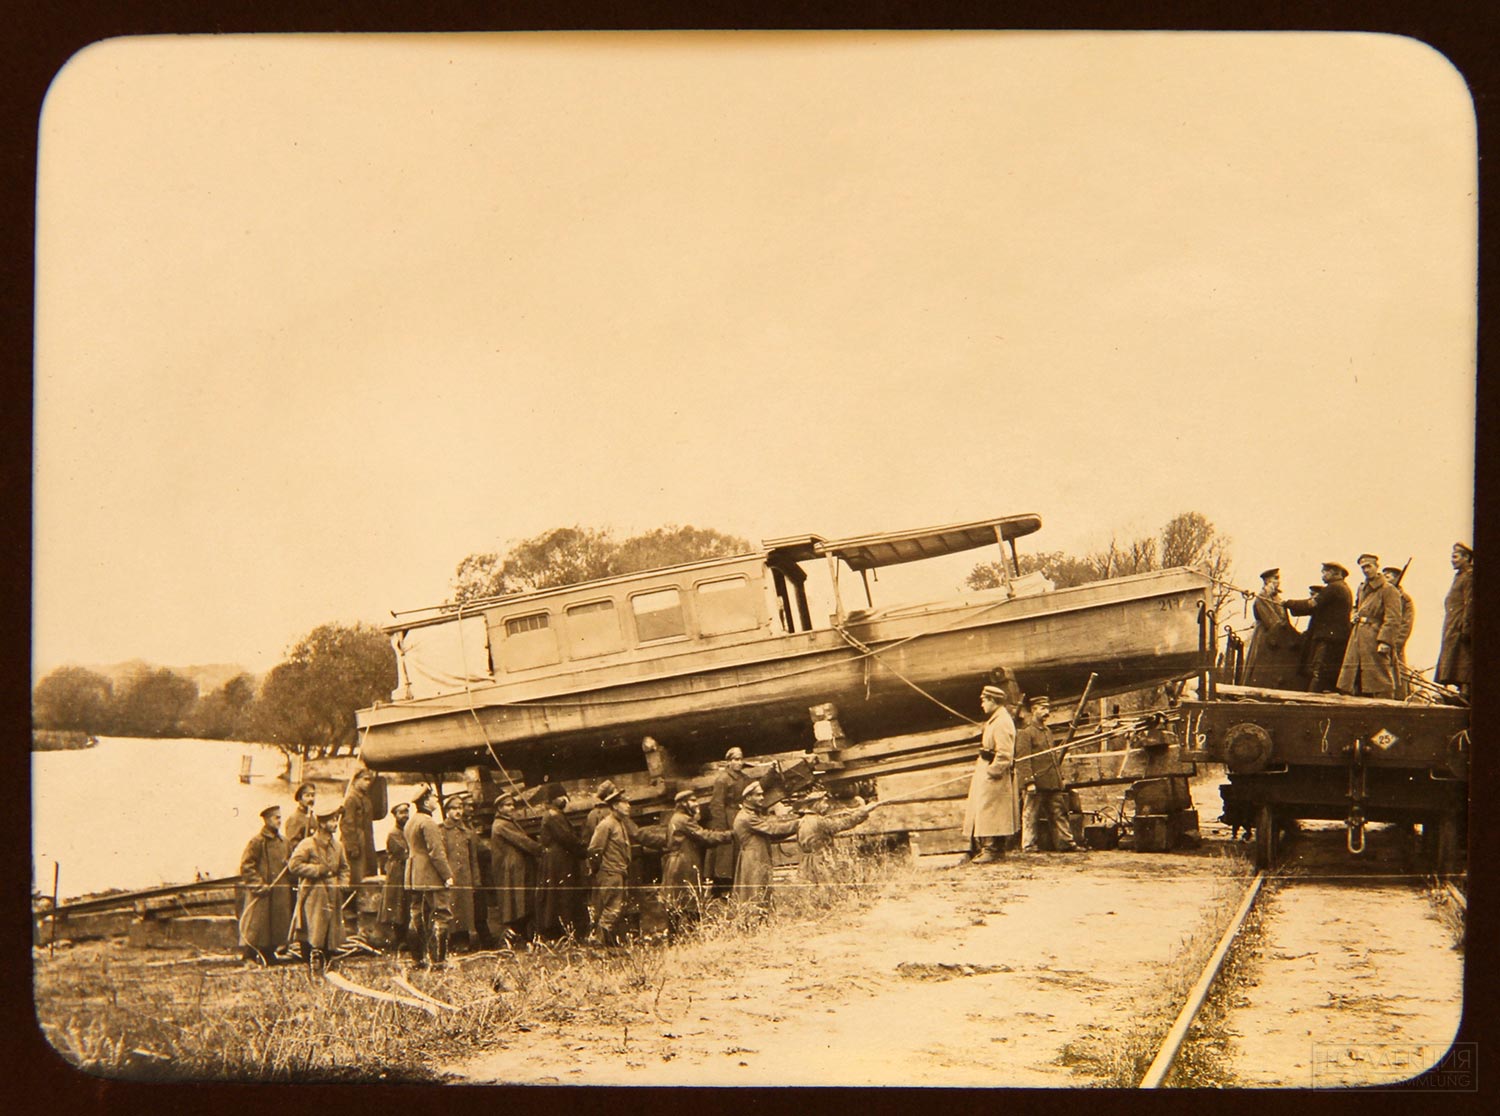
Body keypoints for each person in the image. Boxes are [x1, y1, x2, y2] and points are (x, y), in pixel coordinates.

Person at [1014, 694, 1081, 853]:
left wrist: (1060, 778)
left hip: (1051, 781)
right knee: (1031, 814)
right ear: (1033, 710)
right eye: (1043, 708)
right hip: (1035, 783)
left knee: (1059, 813)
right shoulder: (1025, 733)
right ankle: (1029, 845)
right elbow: (1023, 760)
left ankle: (1066, 843)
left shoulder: (1048, 732)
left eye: (1048, 708)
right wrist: (1029, 782)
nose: (1047, 712)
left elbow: (1052, 758)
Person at [960, 685, 1019, 864]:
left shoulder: (1001, 722)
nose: (982, 705)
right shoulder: (996, 719)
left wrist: (991, 772)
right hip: (988, 769)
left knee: (991, 811)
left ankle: (992, 849)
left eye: (984, 700)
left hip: (994, 774)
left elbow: (1004, 754)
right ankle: (993, 849)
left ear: (993, 701)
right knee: (990, 810)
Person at [659, 789, 732, 933]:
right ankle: (690, 936)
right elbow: (704, 836)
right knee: (689, 903)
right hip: (683, 865)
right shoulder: (684, 820)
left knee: (677, 903)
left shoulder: (676, 818)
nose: (696, 804)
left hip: (677, 864)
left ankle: (678, 938)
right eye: (692, 801)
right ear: (683, 803)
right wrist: (729, 835)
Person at [287, 806, 350, 968]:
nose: (336, 824)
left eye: (336, 820)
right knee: (312, 927)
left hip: (332, 891)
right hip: (313, 892)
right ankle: (309, 959)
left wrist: (343, 883)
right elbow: (293, 866)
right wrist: (316, 870)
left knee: (330, 927)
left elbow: (344, 867)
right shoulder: (307, 844)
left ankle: (327, 959)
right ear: (322, 824)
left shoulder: (338, 846)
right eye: (332, 820)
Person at [1337, 554, 1405, 699]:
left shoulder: (1388, 590)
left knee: (1379, 677)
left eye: (1369, 566)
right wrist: (1354, 615)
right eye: (1363, 567)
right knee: (1355, 676)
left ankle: (1386, 708)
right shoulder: (1362, 588)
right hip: (1358, 636)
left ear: (1376, 567)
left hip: (1374, 637)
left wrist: (1385, 641)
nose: (1366, 570)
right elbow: (1356, 606)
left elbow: (1393, 618)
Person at [404, 786, 456, 967]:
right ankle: (439, 960)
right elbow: (436, 852)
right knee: (441, 913)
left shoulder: (411, 821)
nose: (436, 800)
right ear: (426, 801)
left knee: (417, 914)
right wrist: (447, 875)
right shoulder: (428, 822)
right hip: (430, 875)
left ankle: (418, 959)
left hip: (413, 875)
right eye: (433, 797)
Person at [730, 780, 801, 910]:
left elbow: (772, 831)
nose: (762, 798)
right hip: (754, 859)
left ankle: (760, 918)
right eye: (758, 795)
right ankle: (757, 919)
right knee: (756, 890)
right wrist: (799, 824)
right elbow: (772, 829)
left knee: (759, 889)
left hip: (756, 856)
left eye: (762, 794)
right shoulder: (748, 817)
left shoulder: (751, 814)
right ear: (748, 797)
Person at [1283, 562, 1354, 692]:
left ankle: (1311, 701)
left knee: (1318, 671)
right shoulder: (1343, 588)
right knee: (1326, 672)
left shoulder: (1333, 588)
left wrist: (1288, 603)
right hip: (1337, 637)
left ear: (1335, 573)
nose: (1323, 575)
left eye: (1325, 572)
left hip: (1329, 638)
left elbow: (1312, 605)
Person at [237, 804, 293, 965]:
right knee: (256, 925)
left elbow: (290, 864)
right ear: (267, 820)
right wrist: (258, 885)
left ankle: (268, 953)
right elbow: (247, 866)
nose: (279, 821)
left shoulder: (285, 842)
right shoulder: (257, 842)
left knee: (276, 923)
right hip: (262, 891)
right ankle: (248, 956)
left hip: (279, 891)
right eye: (276, 818)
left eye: (280, 817)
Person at [795, 791, 886, 884]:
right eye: (823, 802)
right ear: (816, 805)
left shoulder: (803, 821)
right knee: (829, 888)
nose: (826, 805)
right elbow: (844, 823)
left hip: (806, 864)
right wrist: (863, 812)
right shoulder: (820, 822)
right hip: (820, 863)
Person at [487, 793, 542, 945]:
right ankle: (512, 937)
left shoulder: (507, 822)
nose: (511, 808)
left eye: (512, 805)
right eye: (507, 805)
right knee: (518, 902)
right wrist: (541, 849)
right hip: (511, 870)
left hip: (514, 868)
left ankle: (523, 936)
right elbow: (522, 840)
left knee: (520, 903)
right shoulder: (501, 825)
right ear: (499, 808)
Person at [535, 784, 587, 939]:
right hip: (558, 863)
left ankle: (560, 931)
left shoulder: (554, 814)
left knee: (557, 895)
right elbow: (566, 838)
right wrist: (584, 851)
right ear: (554, 799)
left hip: (559, 861)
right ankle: (560, 931)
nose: (565, 800)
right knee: (561, 896)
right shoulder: (553, 815)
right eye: (562, 797)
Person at [585, 788, 633, 945]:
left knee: (615, 908)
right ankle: (599, 943)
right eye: (624, 802)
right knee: (610, 909)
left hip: (618, 871)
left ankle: (609, 943)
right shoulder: (606, 825)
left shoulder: (619, 823)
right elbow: (594, 849)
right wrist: (600, 869)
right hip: (610, 872)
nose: (628, 806)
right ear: (615, 806)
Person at [1243, 568, 1303, 690]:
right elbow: (1271, 621)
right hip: (1266, 636)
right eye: (1275, 578)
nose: (1278, 581)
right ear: (1266, 581)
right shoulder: (1262, 598)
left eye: (1278, 578)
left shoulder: (1277, 598)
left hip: (1277, 636)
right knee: (1260, 666)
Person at [707, 746, 751, 898]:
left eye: (740, 759)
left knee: (738, 851)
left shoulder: (743, 777)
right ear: (729, 761)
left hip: (738, 816)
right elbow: (716, 804)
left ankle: (736, 886)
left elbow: (754, 788)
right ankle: (721, 890)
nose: (739, 762)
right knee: (725, 855)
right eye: (735, 759)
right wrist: (721, 829)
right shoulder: (723, 779)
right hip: (727, 818)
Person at [440, 792, 482, 951]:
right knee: (452, 908)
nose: (458, 812)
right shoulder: (442, 831)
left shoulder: (467, 832)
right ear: (447, 811)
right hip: (451, 877)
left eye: (460, 808)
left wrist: (475, 879)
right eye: (453, 808)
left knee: (466, 910)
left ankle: (465, 940)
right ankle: (452, 941)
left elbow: (473, 859)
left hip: (465, 877)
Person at [1435, 543, 1474, 698]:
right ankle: (1458, 690)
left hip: (1460, 625)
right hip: (1452, 625)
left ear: (1466, 558)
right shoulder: (1459, 576)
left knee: (1463, 656)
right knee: (1453, 656)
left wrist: (1466, 627)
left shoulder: (1470, 576)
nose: (1452, 560)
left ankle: (1465, 692)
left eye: (1455, 557)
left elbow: (1470, 603)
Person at [376, 801, 412, 950]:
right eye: (401, 813)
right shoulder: (394, 833)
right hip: (397, 872)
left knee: (406, 904)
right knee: (398, 905)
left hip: (407, 870)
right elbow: (404, 852)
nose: (405, 815)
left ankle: (406, 939)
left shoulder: (408, 830)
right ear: (395, 816)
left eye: (406, 812)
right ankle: (400, 940)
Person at [339, 769, 380, 884]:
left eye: (369, 780)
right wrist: (352, 846)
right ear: (356, 780)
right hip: (357, 842)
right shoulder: (351, 799)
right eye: (365, 779)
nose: (368, 783)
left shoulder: (365, 798)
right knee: (357, 875)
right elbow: (347, 824)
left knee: (370, 871)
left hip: (367, 839)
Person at [1381, 567, 1416, 698]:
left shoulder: (1404, 599)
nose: (1384, 580)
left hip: (1395, 643)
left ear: (1397, 578)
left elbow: (1406, 624)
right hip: (1381, 640)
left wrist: (1397, 642)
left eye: (1388, 577)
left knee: (1398, 671)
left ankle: (1400, 698)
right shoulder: (1382, 595)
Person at [285, 782, 318, 851]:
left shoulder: (313, 817)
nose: (311, 799)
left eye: (313, 795)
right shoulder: (294, 819)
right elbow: (292, 844)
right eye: (307, 796)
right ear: (300, 799)